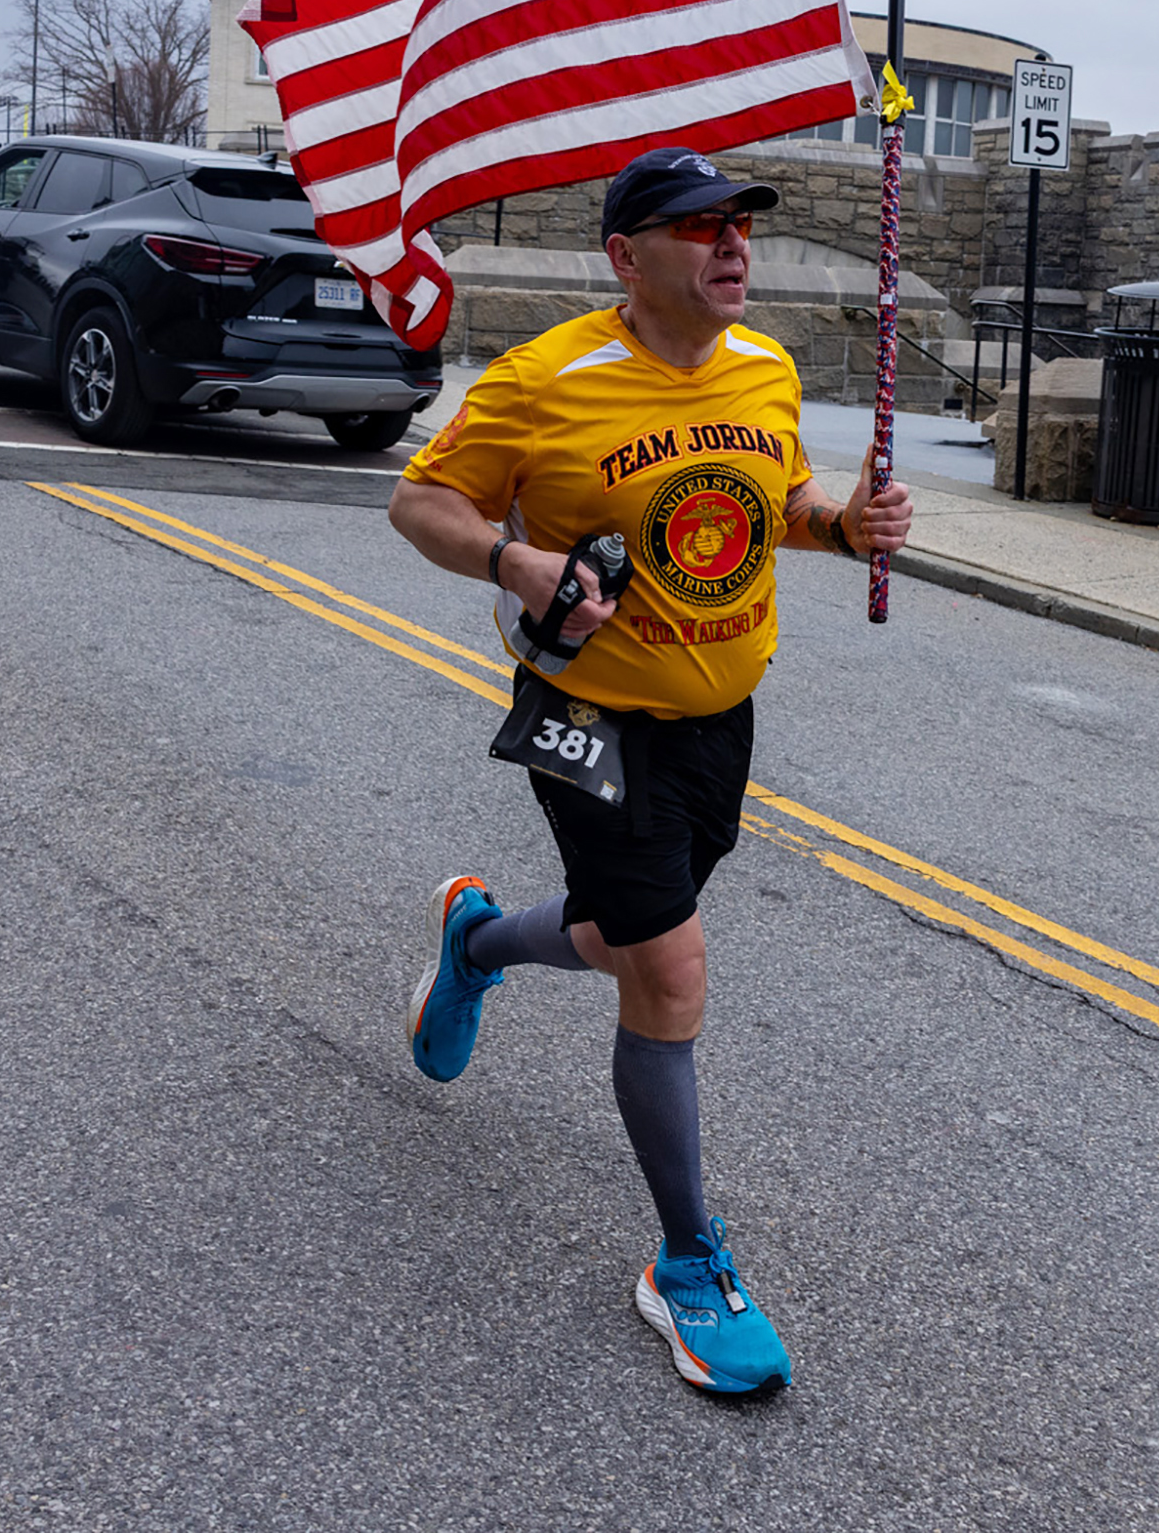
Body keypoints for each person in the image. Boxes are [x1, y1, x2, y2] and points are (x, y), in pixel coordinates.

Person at [390, 145, 913, 1396]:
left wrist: (843, 523)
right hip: (591, 716)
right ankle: (687, 1265)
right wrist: (515, 564)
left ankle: (473, 944)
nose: (732, 247)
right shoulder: (545, 380)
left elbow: (772, 501)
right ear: (627, 257)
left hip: (722, 716)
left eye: (739, 225)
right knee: (669, 967)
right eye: (698, 228)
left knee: (626, 940)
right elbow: (424, 503)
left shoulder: (767, 369)